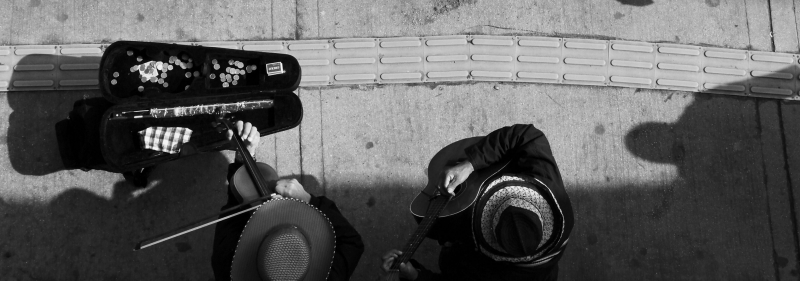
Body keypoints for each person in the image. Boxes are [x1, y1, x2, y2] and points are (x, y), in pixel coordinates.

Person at [381, 124, 574, 280]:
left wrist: (415, 275)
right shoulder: (554, 199)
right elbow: (527, 135)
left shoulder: (488, 274)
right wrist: (470, 164)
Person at [211, 120, 364, 280]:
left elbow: (238, 203)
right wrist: (308, 200)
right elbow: (352, 243)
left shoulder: (226, 264)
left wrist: (244, 157)